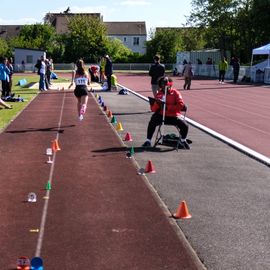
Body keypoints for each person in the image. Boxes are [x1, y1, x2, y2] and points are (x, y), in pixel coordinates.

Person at [142, 76, 190, 149]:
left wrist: (168, 107)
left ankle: (182, 140)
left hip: (173, 116)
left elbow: (180, 105)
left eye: (166, 84)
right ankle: (148, 141)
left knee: (185, 125)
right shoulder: (159, 94)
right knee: (152, 121)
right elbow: (154, 109)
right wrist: (156, 104)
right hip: (161, 116)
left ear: (170, 84)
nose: (164, 86)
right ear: (160, 85)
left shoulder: (176, 93)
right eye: (162, 84)